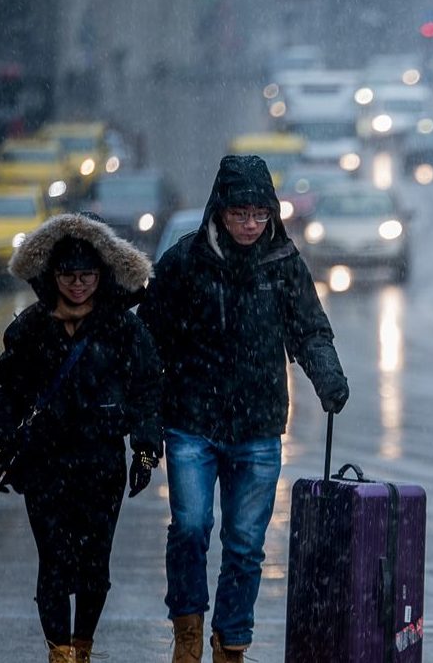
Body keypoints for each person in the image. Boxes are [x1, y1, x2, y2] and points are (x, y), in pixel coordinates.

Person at [139, 154, 349, 663]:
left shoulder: (283, 265)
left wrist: (328, 376)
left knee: (246, 543)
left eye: (260, 215)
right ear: (220, 212)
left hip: (257, 427)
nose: (251, 225)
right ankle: (188, 632)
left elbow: (310, 329)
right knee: (190, 529)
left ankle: (230, 643)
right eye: (240, 215)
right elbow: (147, 344)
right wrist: (144, 420)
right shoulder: (185, 262)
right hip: (191, 422)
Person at [0, 212, 161, 663]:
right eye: (68, 274)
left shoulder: (124, 329)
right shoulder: (30, 328)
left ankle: (81, 647)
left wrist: (145, 449)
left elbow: (146, 388)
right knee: (53, 562)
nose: (78, 284)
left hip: (101, 464)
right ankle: (60, 654)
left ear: (102, 275)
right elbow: (10, 390)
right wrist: (4, 442)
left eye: (87, 275)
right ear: (53, 274)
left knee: (94, 569)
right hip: (45, 464)